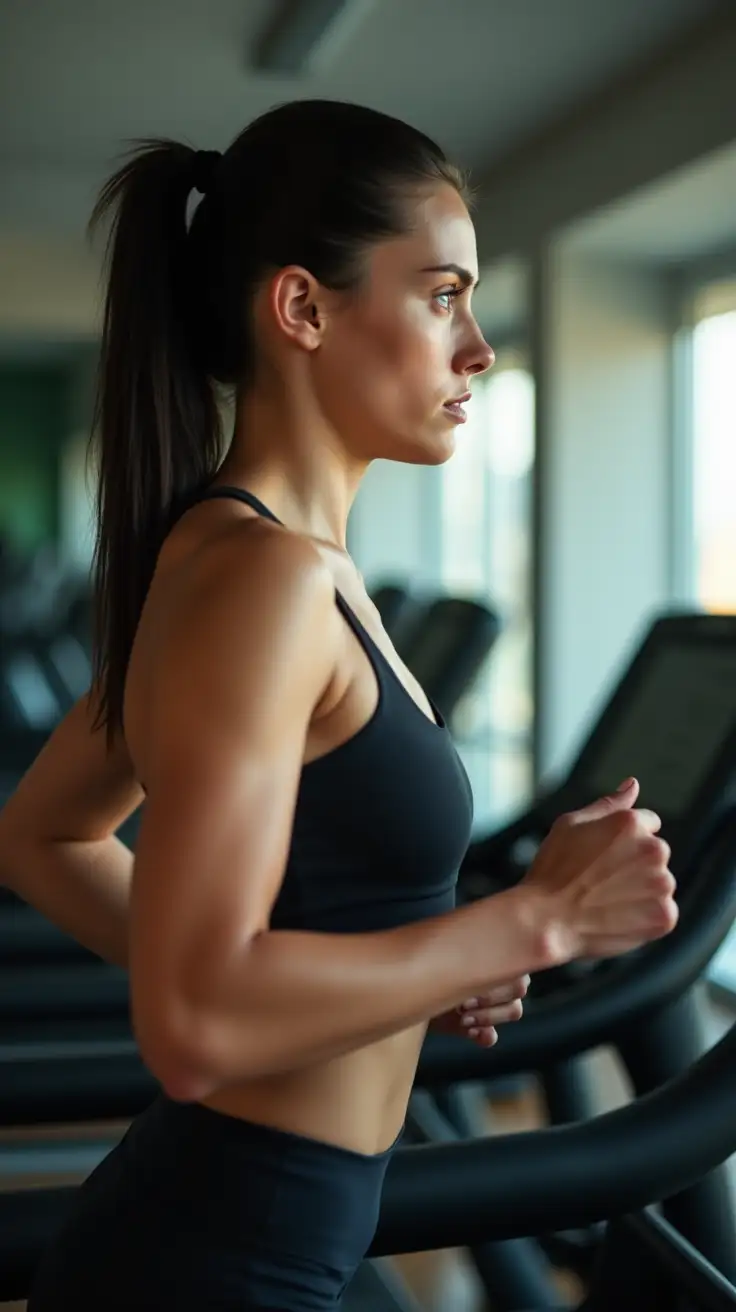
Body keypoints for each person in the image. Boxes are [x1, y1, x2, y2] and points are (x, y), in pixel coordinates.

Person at [0, 100, 677, 1311]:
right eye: (440, 296)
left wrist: (411, 965)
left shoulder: (272, 564)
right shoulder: (261, 579)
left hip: (270, 1229)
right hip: (223, 1255)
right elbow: (197, 1022)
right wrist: (531, 925)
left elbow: (44, 835)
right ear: (303, 309)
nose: (475, 347)